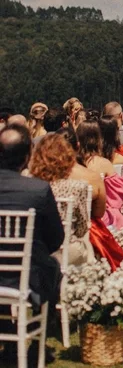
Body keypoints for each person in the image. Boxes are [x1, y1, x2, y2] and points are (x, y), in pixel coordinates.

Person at [0, 124, 64, 307]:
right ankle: (49, 318)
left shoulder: (38, 189)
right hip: (27, 276)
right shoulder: (38, 190)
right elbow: (56, 239)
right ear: (28, 156)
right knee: (52, 266)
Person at [29, 134, 90, 265]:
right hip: (67, 250)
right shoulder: (77, 187)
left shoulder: (31, 187)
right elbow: (82, 229)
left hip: (36, 249)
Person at [77, 121, 123, 230]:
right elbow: (118, 196)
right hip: (98, 218)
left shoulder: (72, 164)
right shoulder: (104, 163)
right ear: (98, 139)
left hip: (76, 217)